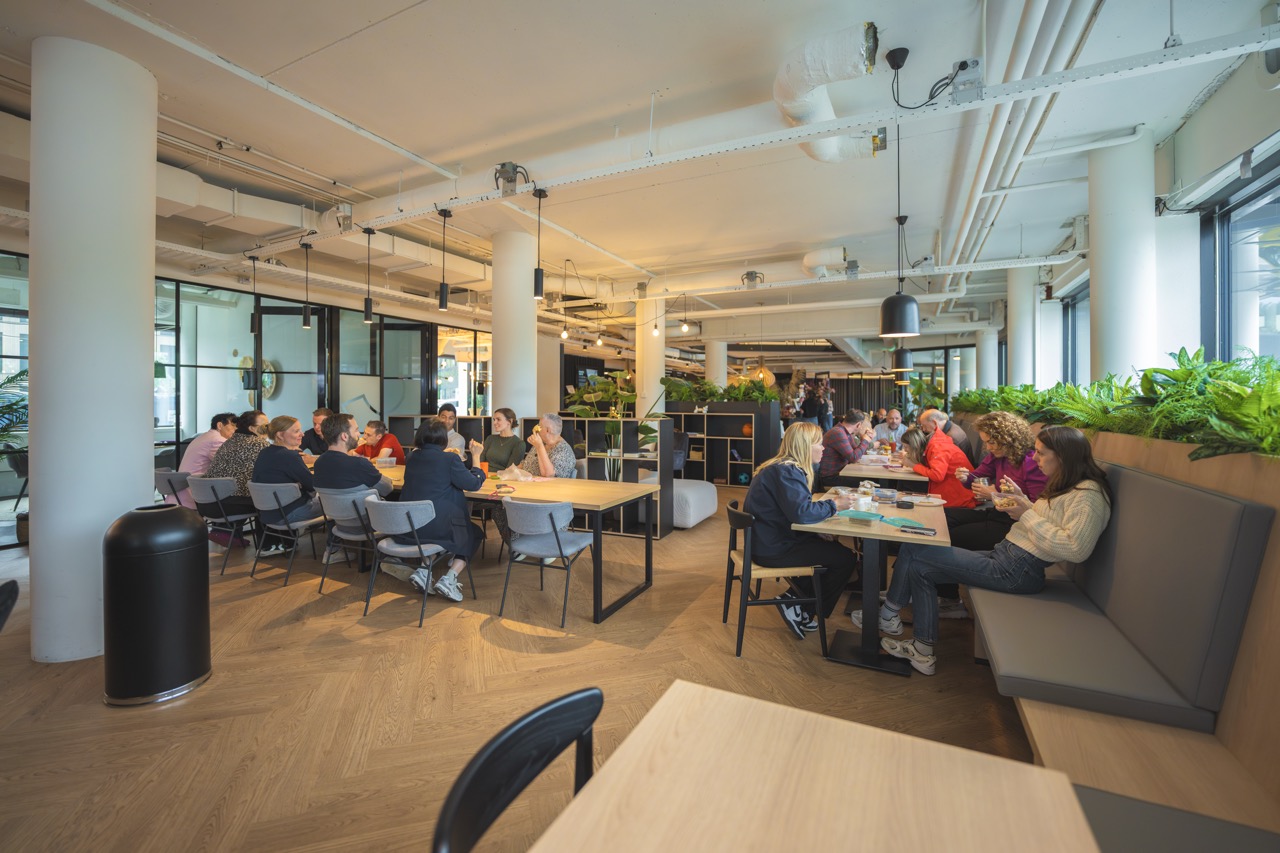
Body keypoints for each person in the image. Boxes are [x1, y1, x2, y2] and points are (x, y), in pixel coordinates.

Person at [855, 426, 1111, 675]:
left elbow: (1075, 549)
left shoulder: (1088, 496)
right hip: (1007, 557)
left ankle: (889, 616)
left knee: (917, 551)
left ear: (1064, 456)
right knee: (919, 562)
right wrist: (1020, 499)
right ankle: (920, 647)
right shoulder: (1066, 486)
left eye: (1041, 453)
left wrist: (1026, 512)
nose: (1035, 458)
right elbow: (1043, 517)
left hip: (1017, 570)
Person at [743, 421, 857, 638]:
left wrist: (815, 530)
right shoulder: (787, 472)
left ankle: (794, 602)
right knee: (845, 559)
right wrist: (834, 505)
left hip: (767, 541)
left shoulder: (780, 467)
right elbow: (802, 513)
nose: (823, 448)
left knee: (829, 549)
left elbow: (792, 512)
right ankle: (803, 608)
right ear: (805, 446)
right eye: (819, 444)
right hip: (773, 548)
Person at [937, 411, 1047, 619]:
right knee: (941, 518)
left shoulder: (1031, 462)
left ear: (1007, 438)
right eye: (986, 442)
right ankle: (933, 587)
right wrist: (965, 477)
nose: (988, 447)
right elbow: (976, 478)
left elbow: (1034, 508)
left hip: (1015, 525)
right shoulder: (997, 456)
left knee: (949, 537)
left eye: (991, 442)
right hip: (995, 512)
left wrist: (994, 494)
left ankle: (950, 600)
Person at [398, 417, 486, 600]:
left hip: (412, 526)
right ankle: (450, 577)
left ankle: (424, 571)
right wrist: (476, 456)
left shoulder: (412, 457)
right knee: (473, 532)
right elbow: (473, 484)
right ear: (443, 438)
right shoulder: (450, 459)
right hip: (439, 527)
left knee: (438, 536)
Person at [493, 412, 578, 547]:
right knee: (497, 506)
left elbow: (548, 474)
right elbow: (526, 463)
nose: (536, 428)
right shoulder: (541, 443)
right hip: (526, 494)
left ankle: (529, 544)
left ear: (547, 430)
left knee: (502, 509)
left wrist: (539, 447)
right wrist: (510, 471)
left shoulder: (563, 451)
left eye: (539, 425)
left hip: (546, 504)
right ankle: (518, 544)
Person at [251, 416, 322, 543]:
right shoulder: (289, 456)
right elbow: (313, 485)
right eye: (296, 431)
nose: (302, 434)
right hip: (287, 514)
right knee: (337, 503)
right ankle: (334, 548)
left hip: (268, 514)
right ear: (280, 435)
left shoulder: (264, 452)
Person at [203, 410, 269, 517]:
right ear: (252, 428)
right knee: (272, 501)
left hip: (209, 501)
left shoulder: (228, 442)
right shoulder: (260, 444)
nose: (269, 429)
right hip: (231, 504)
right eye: (265, 426)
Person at [312, 413, 394, 497]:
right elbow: (387, 489)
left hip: (330, 506)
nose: (359, 434)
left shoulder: (318, 463)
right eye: (356, 430)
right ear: (344, 436)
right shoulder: (360, 464)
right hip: (363, 505)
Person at [168, 411, 236, 508]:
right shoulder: (217, 440)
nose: (236, 429)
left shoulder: (204, 436)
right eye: (233, 425)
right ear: (220, 425)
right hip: (195, 491)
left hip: (182, 488)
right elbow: (228, 465)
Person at [899, 425, 975, 509]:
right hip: (950, 487)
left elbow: (937, 475)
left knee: (906, 486)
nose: (905, 450)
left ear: (914, 446)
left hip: (960, 494)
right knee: (905, 484)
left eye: (906, 447)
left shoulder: (938, 448)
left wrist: (913, 465)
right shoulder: (932, 446)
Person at [816, 409, 875, 491]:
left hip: (838, 473)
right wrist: (865, 441)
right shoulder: (838, 432)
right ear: (858, 425)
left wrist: (863, 439)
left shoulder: (844, 432)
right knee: (870, 482)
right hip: (829, 478)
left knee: (870, 480)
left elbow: (858, 454)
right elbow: (853, 458)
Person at [467, 407, 524, 472]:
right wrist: (475, 452)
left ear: (509, 421)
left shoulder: (519, 444)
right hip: (483, 475)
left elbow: (510, 471)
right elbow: (480, 462)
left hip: (500, 477)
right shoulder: (490, 438)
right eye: (494, 420)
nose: (494, 422)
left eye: (498, 419)